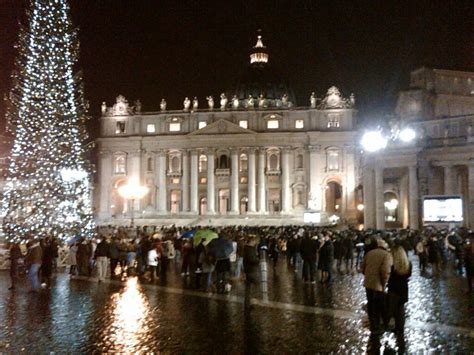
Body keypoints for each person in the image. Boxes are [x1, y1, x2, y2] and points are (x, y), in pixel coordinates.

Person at [361, 238, 393, 337]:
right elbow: (385, 271)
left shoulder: (369, 253)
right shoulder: (386, 255)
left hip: (368, 283)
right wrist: (384, 283)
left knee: (371, 305)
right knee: (380, 305)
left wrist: (368, 275)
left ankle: (374, 326)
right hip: (379, 284)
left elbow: (362, 267)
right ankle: (383, 325)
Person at [387, 245, 412, 335]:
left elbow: (389, 275)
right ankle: (400, 328)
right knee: (400, 309)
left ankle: (388, 325)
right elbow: (408, 275)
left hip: (393, 288)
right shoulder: (408, 264)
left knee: (392, 309)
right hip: (403, 288)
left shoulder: (392, 265)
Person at [243, 236, 260, 310]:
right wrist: (258, 260)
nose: (257, 243)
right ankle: (249, 303)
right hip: (251, 269)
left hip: (248, 269)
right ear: (253, 241)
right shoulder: (249, 249)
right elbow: (252, 259)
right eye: (256, 242)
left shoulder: (248, 248)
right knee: (257, 284)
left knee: (248, 288)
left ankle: (247, 304)